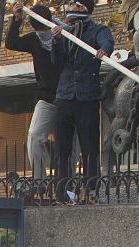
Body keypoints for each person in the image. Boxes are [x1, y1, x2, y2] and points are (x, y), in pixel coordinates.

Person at [50, 0, 113, 203]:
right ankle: (64, 192)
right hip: (65, 96)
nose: (69, 7)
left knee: (89, 146)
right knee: (62, 148)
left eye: (74, 4)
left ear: (84, 8)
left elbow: (107, 43)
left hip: (87, 97)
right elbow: (56, 61)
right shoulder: (65, 31)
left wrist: (104, 50)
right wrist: (56, 41)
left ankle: (91, 190)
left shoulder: (98, 30)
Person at [6, 3, 68, 180]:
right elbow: (11, 42)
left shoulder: (63, 35)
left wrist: (58, 37)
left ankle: (66, 183)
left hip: (68, 96)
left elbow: (64, 58)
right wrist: (17, 20)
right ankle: (40, 180)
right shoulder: (33, 39)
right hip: (46, 97)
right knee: (34, 136)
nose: (42, 35)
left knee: (67, 144)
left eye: (43, 31)